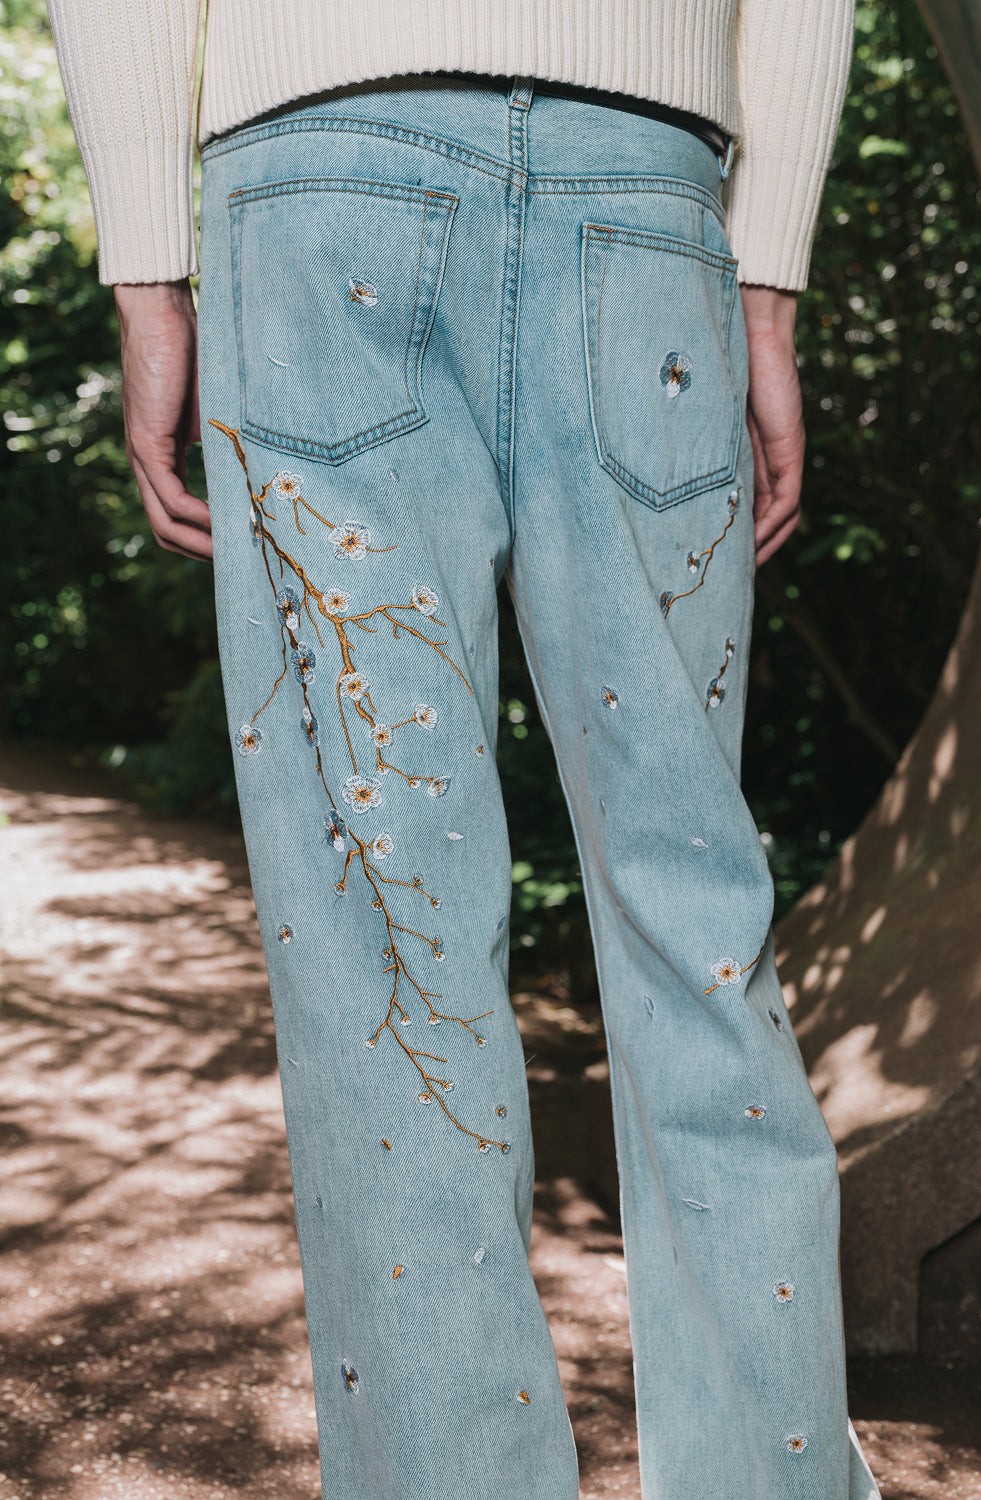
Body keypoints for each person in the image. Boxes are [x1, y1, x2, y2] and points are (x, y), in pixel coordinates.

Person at [47, 3, 881, 1496]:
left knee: (382, 948)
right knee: (696, 920)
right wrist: (767, 286)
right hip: (646, 189)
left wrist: (145, 265)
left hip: (315, 179)